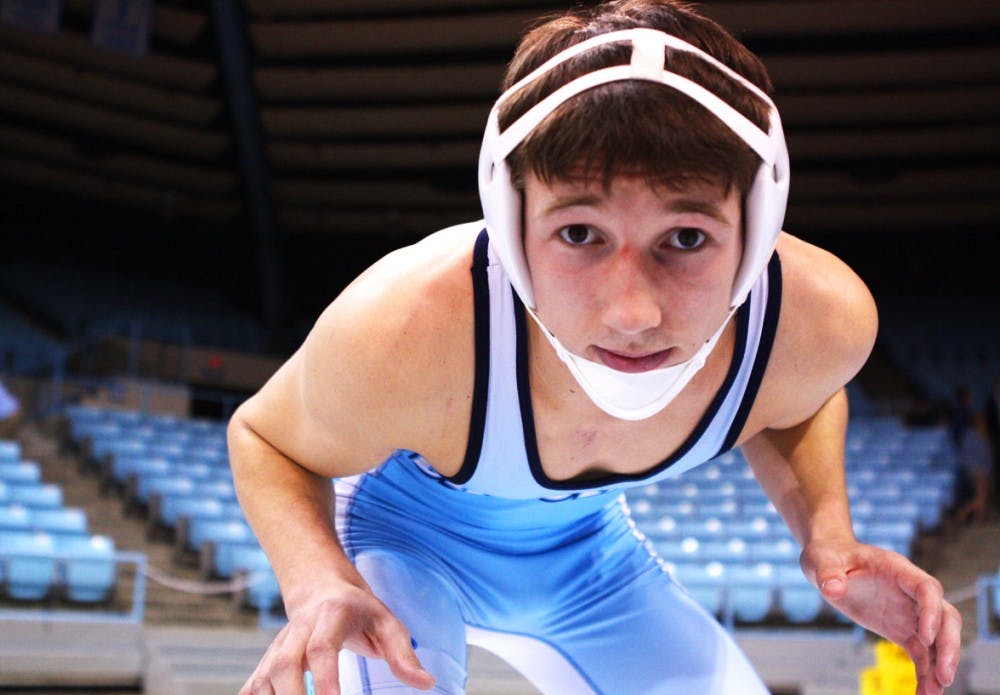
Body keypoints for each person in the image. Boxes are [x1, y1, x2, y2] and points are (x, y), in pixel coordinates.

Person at [228, 2, 961, 693]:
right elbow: (266, 437)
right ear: (509, 224)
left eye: (686, 238)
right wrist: (316, 580)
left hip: (588, 564)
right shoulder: (408, 325)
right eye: (579, 234)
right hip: (394, 544)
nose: (632, 313)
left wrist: (827, 534)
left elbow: (796, 397)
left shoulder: (814, 323)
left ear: (760, 228)